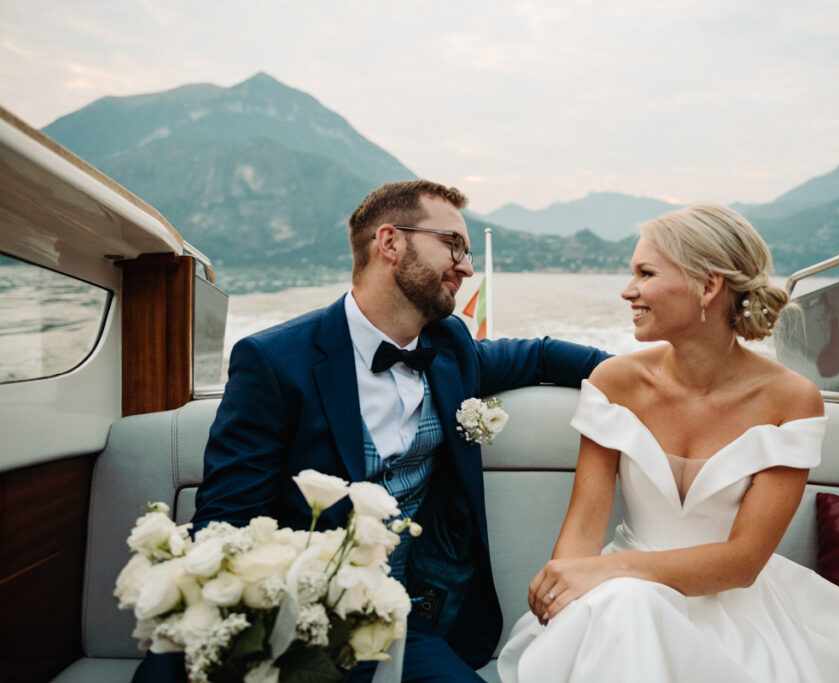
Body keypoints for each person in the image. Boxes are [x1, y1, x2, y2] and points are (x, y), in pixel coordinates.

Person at [132, 180, 608, 683]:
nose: (467, 266)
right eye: (453, 244)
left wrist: (658, 381)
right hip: (283, 618)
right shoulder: (274, 362)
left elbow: (538, 355)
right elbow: (224, 524)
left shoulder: (451, 347)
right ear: (389, 243)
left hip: (398, 622)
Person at [497, 204, 839, 682]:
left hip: (730, 598)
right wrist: (567, 586)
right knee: (628, 607)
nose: (628, 290)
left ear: (708, 286)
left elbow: (744, 560)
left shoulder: (792, 400)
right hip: (619, 597)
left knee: (630, 600)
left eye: (645, 273)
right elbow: (583, 524)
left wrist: (612, 571)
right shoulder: (613, 381)